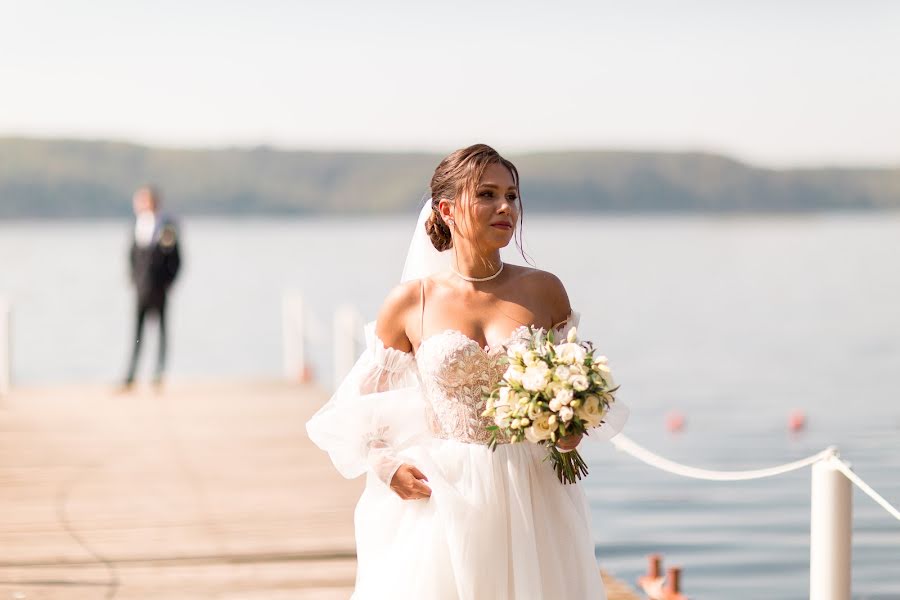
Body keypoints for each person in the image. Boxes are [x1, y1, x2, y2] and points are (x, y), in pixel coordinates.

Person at [306, 144, 628, 599]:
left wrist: (570, 424)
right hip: (445, 491)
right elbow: (360, 410)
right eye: (487, 195)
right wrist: (386, 465)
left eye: (512, 196)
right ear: (447, 209)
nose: (505, 208)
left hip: (532, 488)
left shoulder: (544, 290)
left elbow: (572, 384)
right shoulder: (409, 302)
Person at [122, 185, 181, 389]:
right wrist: (133, 278)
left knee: (162, 331)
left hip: (160, 288)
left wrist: (169, 282)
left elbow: (176, 258)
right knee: (137, 333)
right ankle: (131, 374)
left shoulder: (167, 226)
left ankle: (159, 372)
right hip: (141, 288)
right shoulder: (137, 225)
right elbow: (131, 256)